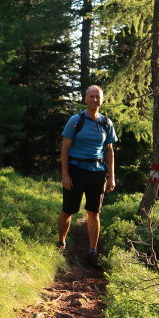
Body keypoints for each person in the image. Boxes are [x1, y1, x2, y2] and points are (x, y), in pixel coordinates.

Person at [57, 85, 117, 266]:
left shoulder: (106, 123)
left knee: (94, 212)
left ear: (102, 100)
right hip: (76, 171)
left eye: (97, 97)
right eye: (91, 96)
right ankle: (61, 243)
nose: (94, 100)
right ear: (85, 99)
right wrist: (65, 174)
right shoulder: (76, 120)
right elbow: (65, 148)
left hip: (97, 173)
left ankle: (92, 252)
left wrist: (111, 176)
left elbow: (110, 151)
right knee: (68, 211)